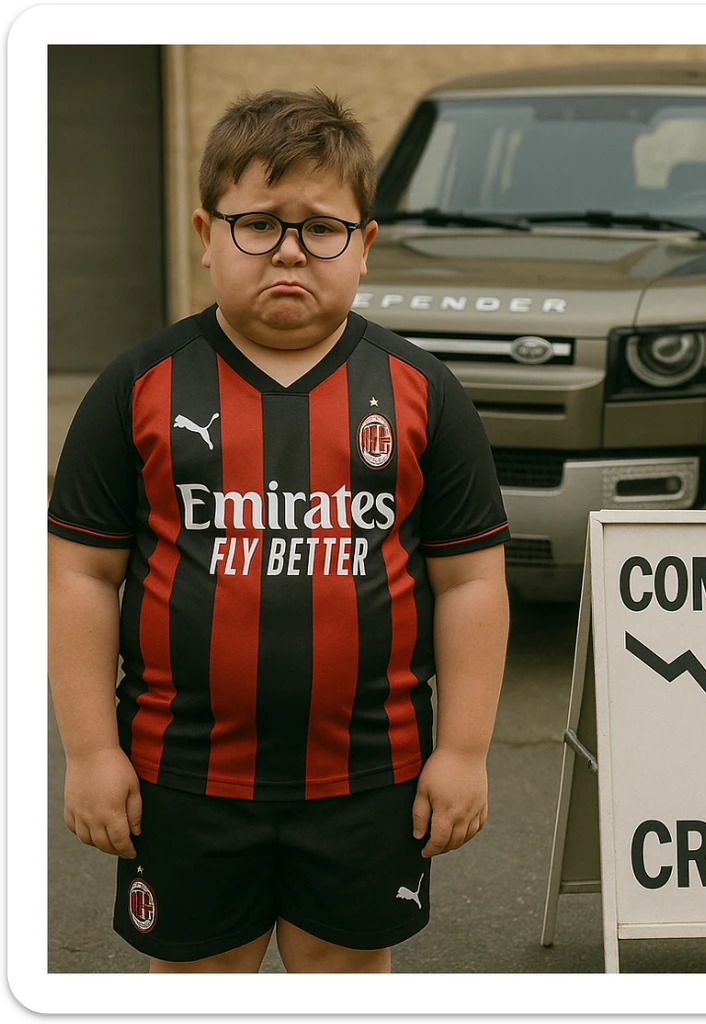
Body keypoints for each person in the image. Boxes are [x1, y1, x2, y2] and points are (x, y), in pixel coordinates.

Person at [46, 88, 510, 974]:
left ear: (366, 245)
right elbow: (80, 576)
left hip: (371, 778)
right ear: (205, 232)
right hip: (180, 778)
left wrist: (462, 751)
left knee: (342, 969)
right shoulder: (136, 387)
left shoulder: (422, 392)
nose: (290, 252)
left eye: (322, 228)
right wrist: (90, 751)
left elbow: (471, 583)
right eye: (257, 224)